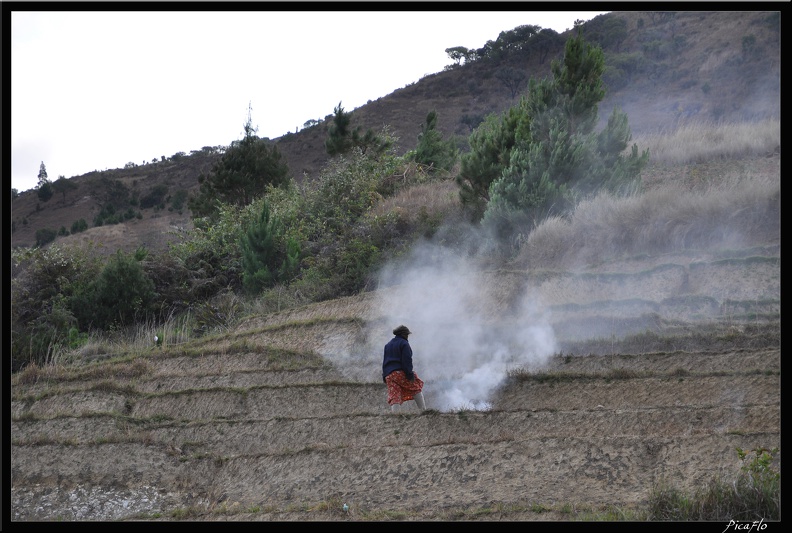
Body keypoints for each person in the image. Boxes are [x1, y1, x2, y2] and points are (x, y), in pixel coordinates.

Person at [382, 325, 426, 413]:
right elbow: (407, 360)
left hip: (389, 375)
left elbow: (385, 361)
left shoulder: (388, 345)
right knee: (416, 387)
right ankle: (424, 411)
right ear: (404, 334)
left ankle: (395, 415)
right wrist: (409, 374)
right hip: (399, 372)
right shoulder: (404, 343)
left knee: (395, 394)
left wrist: (384, 376)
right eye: (407, 335)